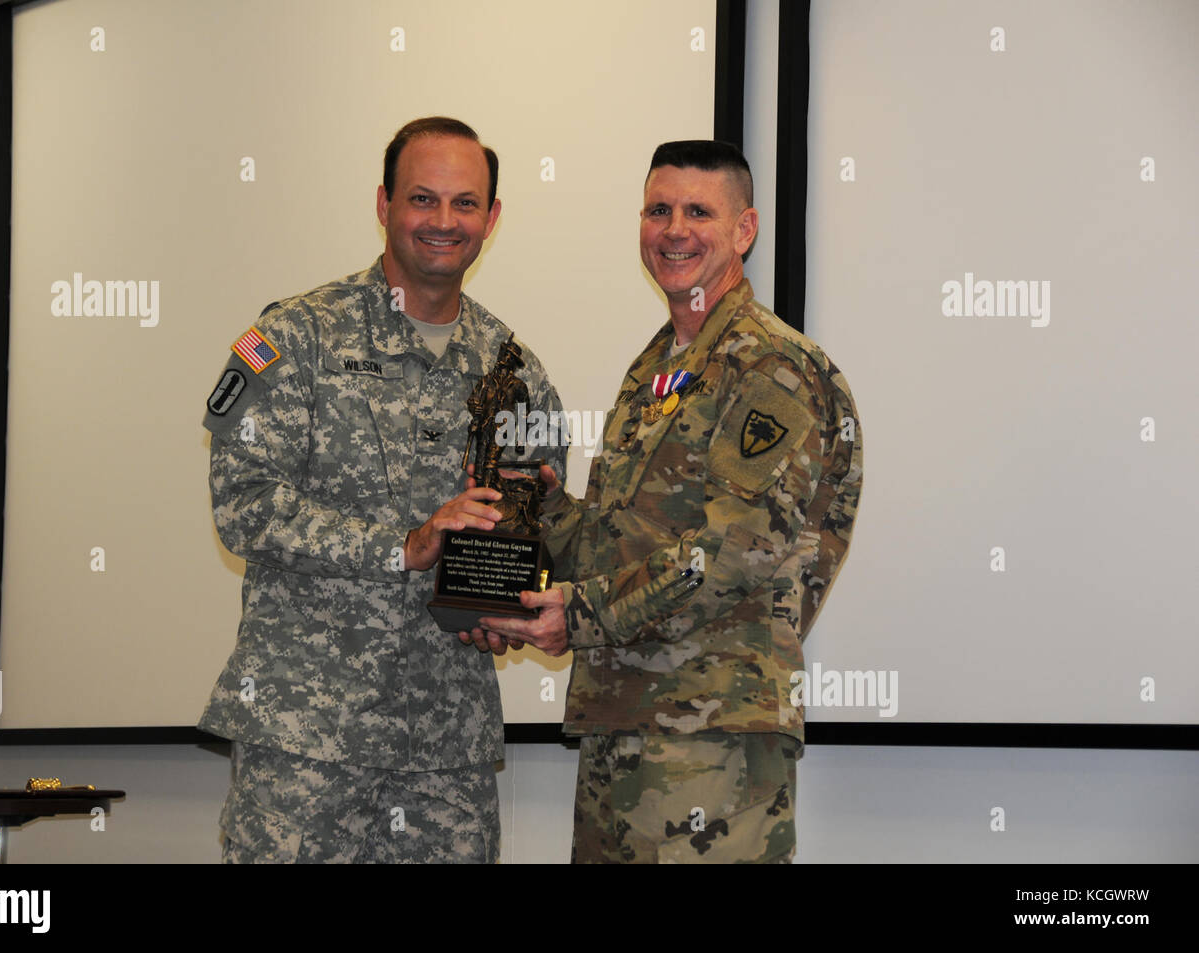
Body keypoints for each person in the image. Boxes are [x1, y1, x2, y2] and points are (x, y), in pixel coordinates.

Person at [462, 140, 863, 863]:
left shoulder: (770, 365)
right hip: (626, 726)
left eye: (698, 212)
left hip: (710, 741)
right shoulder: (656, 369)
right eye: (658, 210)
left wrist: (578, 614)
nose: (674, 229)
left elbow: (732, 553)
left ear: (744, 230)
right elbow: (623, 548)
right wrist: (540, 507)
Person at [199, 117, 564, 863]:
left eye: (466, 204)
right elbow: (244, 502)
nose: (443, 221)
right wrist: (405, 546)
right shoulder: (297, 337)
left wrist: (504, 608)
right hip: (307, 740)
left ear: (491, 219)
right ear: (384, 204)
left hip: (446, 749)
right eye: (422, 199)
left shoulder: (515, 371)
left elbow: (530, 525)